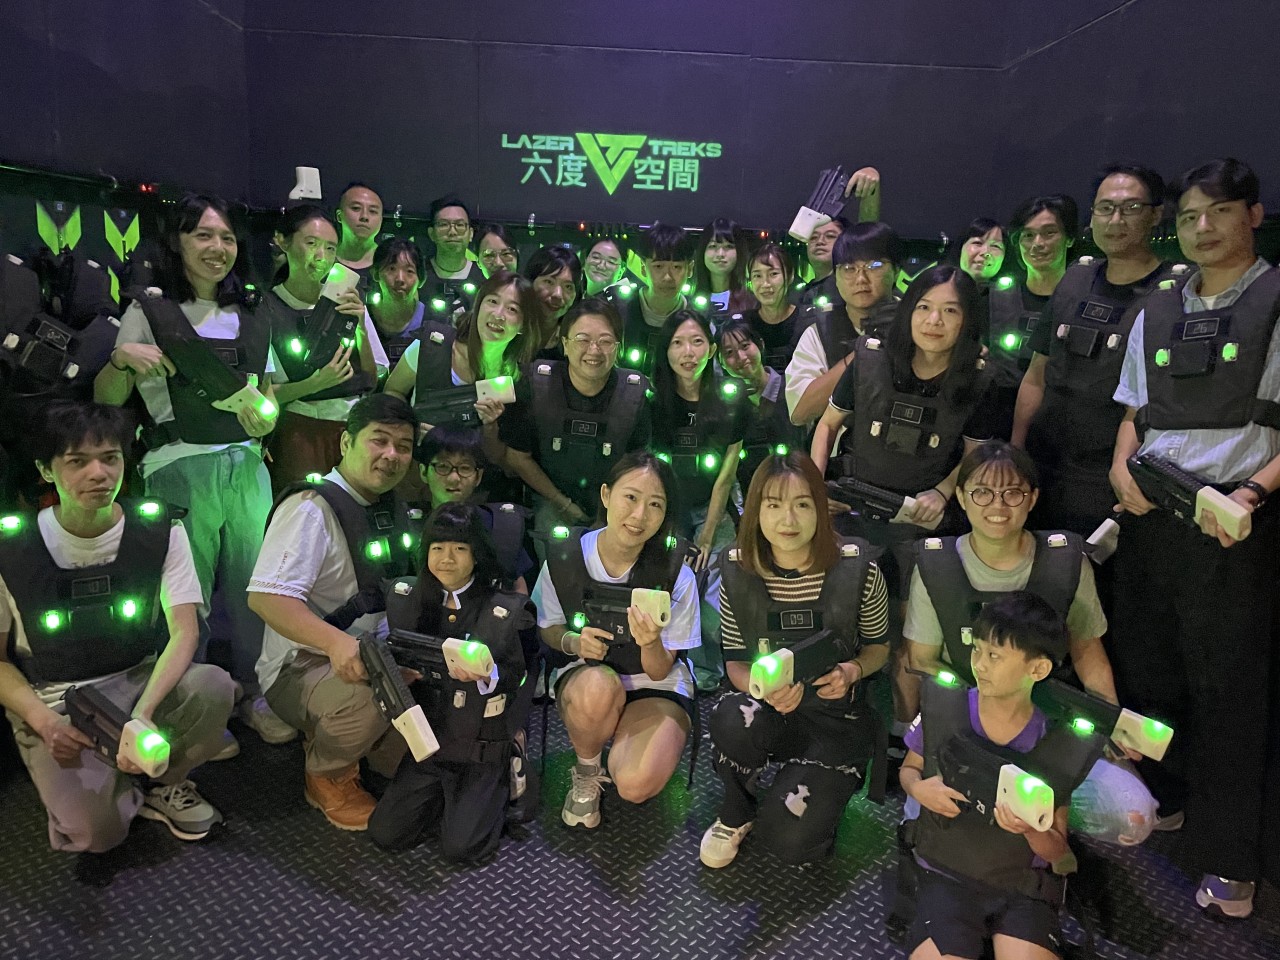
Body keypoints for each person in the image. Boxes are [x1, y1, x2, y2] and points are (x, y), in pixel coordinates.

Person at [1108, 158, 1280, 918]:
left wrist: (1251, 494)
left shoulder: (1274, 300)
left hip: (1234, 525)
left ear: (1254, 215)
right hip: (1155, 516)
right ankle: (1168, 800)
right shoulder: (1158, 307)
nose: (1202, 228)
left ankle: (1232, 860)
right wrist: (1122, 468)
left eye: (1218, 211)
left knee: (1230, 693)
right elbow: (1134, 410)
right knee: (1151, 668)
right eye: (1187, 217)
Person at [93, 193, 287, 745]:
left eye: (226, 237)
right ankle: (193, 708)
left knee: (257, 588)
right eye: (203, 235)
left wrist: (266, 416)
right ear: (177, 243)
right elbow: (107, 400)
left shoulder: (251, 314)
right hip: (177, 464)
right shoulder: (149, 312)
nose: (217, 247)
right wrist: (120, 359)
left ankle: (257, 694)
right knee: (185, 598)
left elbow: (270, 394)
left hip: (246, 467)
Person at [0, 403, 235, 851]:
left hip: (138, 679)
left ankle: (165, 783)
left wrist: (142, 715)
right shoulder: (11, 546)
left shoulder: (160, 528)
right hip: (57, 699)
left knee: (215, 686)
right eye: (77, 461)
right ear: (46, 471)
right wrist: (43, 722)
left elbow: (184, 632)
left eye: (110, 458)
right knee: (98, 835)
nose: (99, 474)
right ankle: (116, 787)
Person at [905, 441, 1155, 845]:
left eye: (1012, 493)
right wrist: (990, 702)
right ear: (962, 499)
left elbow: (1088, 651)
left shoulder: (1065, 560)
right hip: (967, 728)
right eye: (982, 492)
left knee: (1134, 816)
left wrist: (1109, 725)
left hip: (1048, 724)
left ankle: (1041, 828)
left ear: (1032, 498)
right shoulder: (936, 564)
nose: (997, 505)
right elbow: (922, 660)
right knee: (927, 810)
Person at [810, 265, 997, 729]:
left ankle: (904, 736)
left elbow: (976, 455)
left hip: (924, 519)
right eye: (924, 307)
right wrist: (814, 489)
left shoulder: (979, 378)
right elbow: (827, 425)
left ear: (967, 321)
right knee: (841, 618)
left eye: (950, 311)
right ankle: (833, 718)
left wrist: (942, 491)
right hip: (855, 506)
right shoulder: (871, 357)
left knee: (914, 636)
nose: (934, 321)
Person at [701, 453, 889, 867]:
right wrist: (765, 692)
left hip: (834, 718)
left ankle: (818, 786)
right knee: (731, 717)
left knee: (789, 842)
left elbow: (879, 647)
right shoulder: (736, 570)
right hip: (769, 709)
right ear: (756, 511)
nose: (788, 519)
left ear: (821, 509)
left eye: (802, 504)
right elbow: (735, 660)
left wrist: (851, 670)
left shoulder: (860, 569)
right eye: (773, 504)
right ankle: (737, 808)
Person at [247, 394, 418, 831]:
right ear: (345, 442)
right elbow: (266, 600)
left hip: (375, 651)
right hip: (300, 665)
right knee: (377, 696)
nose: (391, 455)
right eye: (379, 440)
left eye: (403, 446)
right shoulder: (310, 508)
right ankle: (327, 775)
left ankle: (361, 743)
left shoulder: (390, 505)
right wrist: (336, 644)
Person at [899, 592, 1087, 960]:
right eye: (977, 650)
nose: (980, 665)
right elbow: (908, 769)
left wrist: (1031, 830)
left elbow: (1060, 852)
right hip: (947, 873)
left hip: (1020, 886)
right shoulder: (946, 709)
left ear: (1037, 669)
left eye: (995, 656)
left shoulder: (1053, 743)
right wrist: (919, 790)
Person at [1014, 164, 1186, 537]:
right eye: (1105, 208)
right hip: (1045, 466)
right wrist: (1016, 451)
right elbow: (1036, 375)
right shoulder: (1075, 279)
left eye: (1131, 208)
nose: (1115, 220)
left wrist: (1125, 469)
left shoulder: (1175, 293)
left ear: (1156, 214)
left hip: (1113, 476)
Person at [533, 451, 700, 829]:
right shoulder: (566, 556)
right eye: (631, 497)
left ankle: (630, 735)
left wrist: (651, 642)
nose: (639, 515)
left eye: (655, 505)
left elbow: (659, 670)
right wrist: (574, 642)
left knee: (635, 785)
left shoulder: (677, 573)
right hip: (590, 675)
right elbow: (548, 626)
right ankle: (587, 768)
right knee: (598, 686)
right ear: (606, 495)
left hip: (654, 683)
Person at [367, 503, 536, 862]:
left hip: (481, 744)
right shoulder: (408, 599)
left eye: (460, 548)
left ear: (476, 555)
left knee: (462, 848)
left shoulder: (502, 607)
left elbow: (520, 673)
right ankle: (448, 802)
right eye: (438, 547)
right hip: (430, 742)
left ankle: (506, 771)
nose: (447, 558)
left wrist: (487, 675)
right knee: (385, 833)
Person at [260, 204, 388, 494]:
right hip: (301, 432)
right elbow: (265, 394)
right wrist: (315, 383)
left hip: (354, 429)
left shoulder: (346, 300)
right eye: (311, 243)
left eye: (330, 248)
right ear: (283, 241)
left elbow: (371, 377)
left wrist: (360, 326)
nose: (321, 256)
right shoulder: (266, 309)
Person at [498, 299, 651, 535]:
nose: (594, 350)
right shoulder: (536, 384)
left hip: (613, 502)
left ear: (618, 348)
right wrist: (563, 503)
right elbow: (517, 457)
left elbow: (636, 466)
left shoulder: (635, 393)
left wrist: (606, 512)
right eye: (582, 339)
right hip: (550, 497)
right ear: (565, 344)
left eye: (605, 341)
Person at [383, 271, 538, 471]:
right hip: (416, 469)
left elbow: (497, 457)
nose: (498, 315)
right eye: (492, 301)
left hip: (469, 479)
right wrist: (409, 428)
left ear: (523, 324)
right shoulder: (430, 347)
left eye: (512, 309)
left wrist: (490, 427)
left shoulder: (514, 379)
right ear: (478, 306)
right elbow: (392, 391)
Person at [649, 310, 745, 563]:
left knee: (715, 566)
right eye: (677, 343)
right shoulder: (651, 402)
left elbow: (726, 477)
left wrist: (707, 535)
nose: (688, 352)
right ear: (665, 351)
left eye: (697, 341)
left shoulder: (732, 398)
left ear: (712, 350)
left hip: (714, 503)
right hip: (666, 502)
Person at [785, 222, 903, 427]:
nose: (861, 278)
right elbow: (799, 412)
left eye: (874, 265)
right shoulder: (821, 331)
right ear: (836, 277)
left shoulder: (918, 322)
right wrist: (865, 350)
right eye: (849, 268)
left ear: (896, 270)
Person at [986, 196, 1078, 440]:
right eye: (1028, 235)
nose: (1038, 243)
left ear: (1069, 238)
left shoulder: (1082, 303)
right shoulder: (994, 298)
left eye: (1049, 233)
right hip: (996, 427)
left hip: (1063, 431)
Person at [415, 427, 536, 592]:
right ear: (423, 472)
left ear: (478, 477)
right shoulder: (409, 525)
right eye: (443, 466)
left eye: (465, 468)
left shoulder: (499, 526)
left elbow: (517, 587)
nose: (454, 478)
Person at [716, 317, 804, 496]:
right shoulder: (725, 408)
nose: (741, 357)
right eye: (729, 353)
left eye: (745, 346)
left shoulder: (792, 389)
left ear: (760, 345)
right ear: (721, 362)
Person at [611, 222, 697, 376]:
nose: (667, 277)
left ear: (690, 269)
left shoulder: (698, 318)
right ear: (643, 268)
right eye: (658, 266)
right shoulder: (617, 310)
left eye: (677, 267)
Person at [791, 166, 883, 310]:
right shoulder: (799, 294)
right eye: (813, 237)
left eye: (830, 236)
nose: (820, 241)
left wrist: (871, 187)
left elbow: (867, 234)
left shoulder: (852, 284)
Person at [740, 243, 816, 373]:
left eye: (773, 274)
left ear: (790, 276)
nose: (765, 284)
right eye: (757, 276)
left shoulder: (808, 321)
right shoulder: (743, 325)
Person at [420, 196, 485, 325]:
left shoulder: (483, 277)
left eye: (460, 225)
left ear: (471, 233)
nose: (452, 232)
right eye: (444, 225)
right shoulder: (419, 276)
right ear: (431, 233)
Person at [367, 238, 427, 371]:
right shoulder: (363, 319)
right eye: (391, 269)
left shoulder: (433, 323)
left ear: (421, 280)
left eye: (409, 271)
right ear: (376, 274)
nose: (400, 278)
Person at [692, 218, 757, 316]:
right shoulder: (689, 301)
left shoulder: (753, 302)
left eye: (728, 246)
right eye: (713, 246)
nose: (720, 254)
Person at [522, 246, 582, 352]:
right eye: (549, 282)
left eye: (568, 286)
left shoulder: (576, 342)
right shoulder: (509, 331)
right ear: (530, 282)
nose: (557, 295)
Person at [334, 182, 384, 282]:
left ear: (381, 220)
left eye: (373, 211)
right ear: (339, 216)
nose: (364, 216)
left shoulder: (389, 263)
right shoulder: (322, 259)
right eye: (356, 208)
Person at [953, 217, 1007, 288]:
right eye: (977, 243)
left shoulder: (1015, 293)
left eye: (995, 246)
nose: (985, 252)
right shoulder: (940, 288)